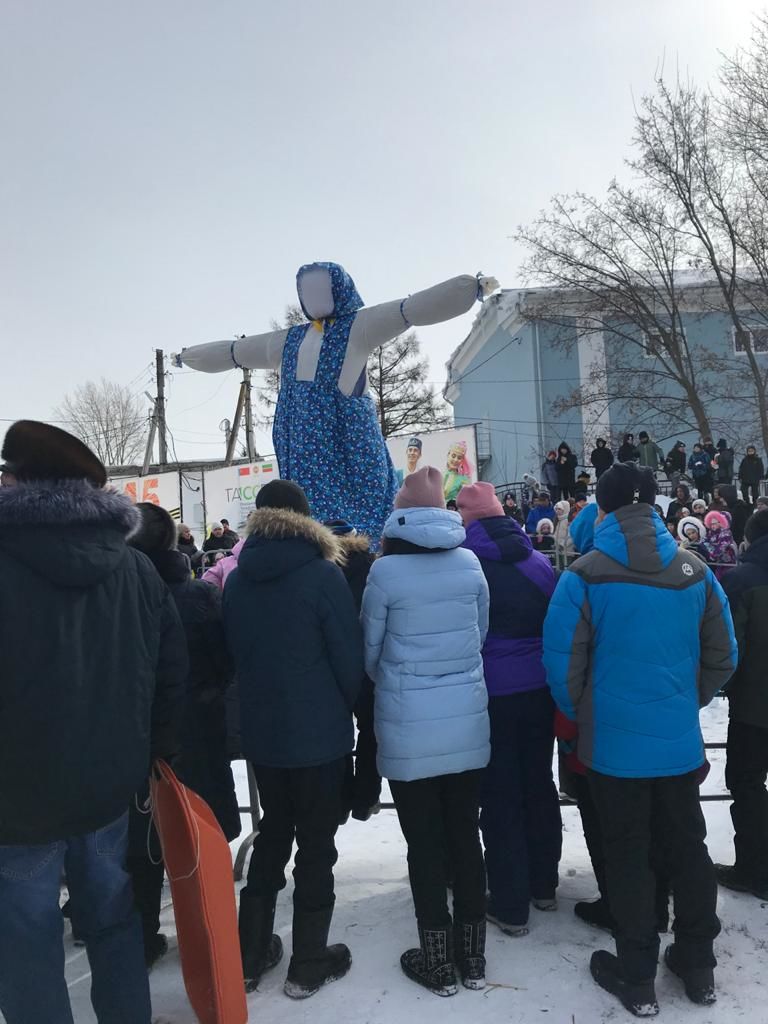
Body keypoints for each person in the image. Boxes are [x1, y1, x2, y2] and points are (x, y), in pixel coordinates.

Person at [0, 420, 187, 1024]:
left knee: (26, 938)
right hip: (109, 784)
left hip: (16, 796)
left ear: (16, 480)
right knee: (112, 920)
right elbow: (169, 676)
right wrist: (149, 754)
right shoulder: (136, 570)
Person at [543, 462, 736, 1016]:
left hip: (611, 750)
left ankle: (636, 973)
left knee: (627, 853)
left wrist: (584, 714)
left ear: (601, 509)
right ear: (654, 504)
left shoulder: (583, 575)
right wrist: (685, 701)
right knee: (688, 848)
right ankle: (697, 963)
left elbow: (561, 666)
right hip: (677, 746)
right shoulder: (695, 571)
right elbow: (724, 657)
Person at [224, 479, 364, 998]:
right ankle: (308, 960)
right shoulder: (323, 575)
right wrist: (355, 712)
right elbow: (348, 660)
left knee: (272, 837)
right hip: (320, 735)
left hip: (265, 735)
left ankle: (249, 954)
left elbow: (234, 654)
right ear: (306, 519)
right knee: (317, 847)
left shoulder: (237, 579)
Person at [362, 467, 490, 996]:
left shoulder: (386, 573)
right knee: (465, 832)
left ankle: (436, 959)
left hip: (408, 720)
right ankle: (475, 958)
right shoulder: (471, 564)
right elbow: (481, 633)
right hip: (465, 717)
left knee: (424, 842)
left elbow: (370, 651)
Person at [128, 503, 241, 966]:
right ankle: (207, 934)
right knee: (201, 832)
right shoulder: (197, 596)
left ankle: (143, 933)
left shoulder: (118, 596)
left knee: (141, 840)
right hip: (197, 731)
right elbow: (225, 661)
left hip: (135, 738)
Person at [457, 483, 561, 939]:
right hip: (539, 690)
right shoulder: (538, 562)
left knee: (499, 794)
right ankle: (544, 885)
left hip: (491, 694)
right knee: (539, 784)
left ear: (466, 520)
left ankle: (510, 901)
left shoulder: (465, 566)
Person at [717, 509, 768, 901]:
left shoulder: (740, 579)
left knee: (748, 785)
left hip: (755, 709)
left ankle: (754, 869)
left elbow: (731, 649)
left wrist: (724, 688)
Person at [324, 518, 382, 822]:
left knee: (338, 730)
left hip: (332, 662)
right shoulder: (372, 565)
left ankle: (342, 796)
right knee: (371, 729)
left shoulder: (321, 568)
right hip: (368, 660)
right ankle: (366, 795)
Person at [704, 510, 738, 580]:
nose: (713, 526)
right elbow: (704, 541)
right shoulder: (711, 533)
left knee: (727, 579)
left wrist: (713, 554)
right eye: (711, 524)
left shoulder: (725, 532)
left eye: (715, 523)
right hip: (719, 563)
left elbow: (722, 546)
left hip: (728, 562)